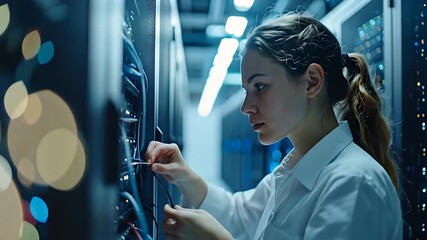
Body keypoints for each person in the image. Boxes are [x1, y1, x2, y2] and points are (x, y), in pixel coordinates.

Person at [145, 12, 402, 240]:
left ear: (311, 81)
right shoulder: (293, 170)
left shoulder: (354, 184)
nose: (246, 107)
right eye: (246, 90)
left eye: (260, 87)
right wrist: (183, 175)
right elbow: (240, 216)